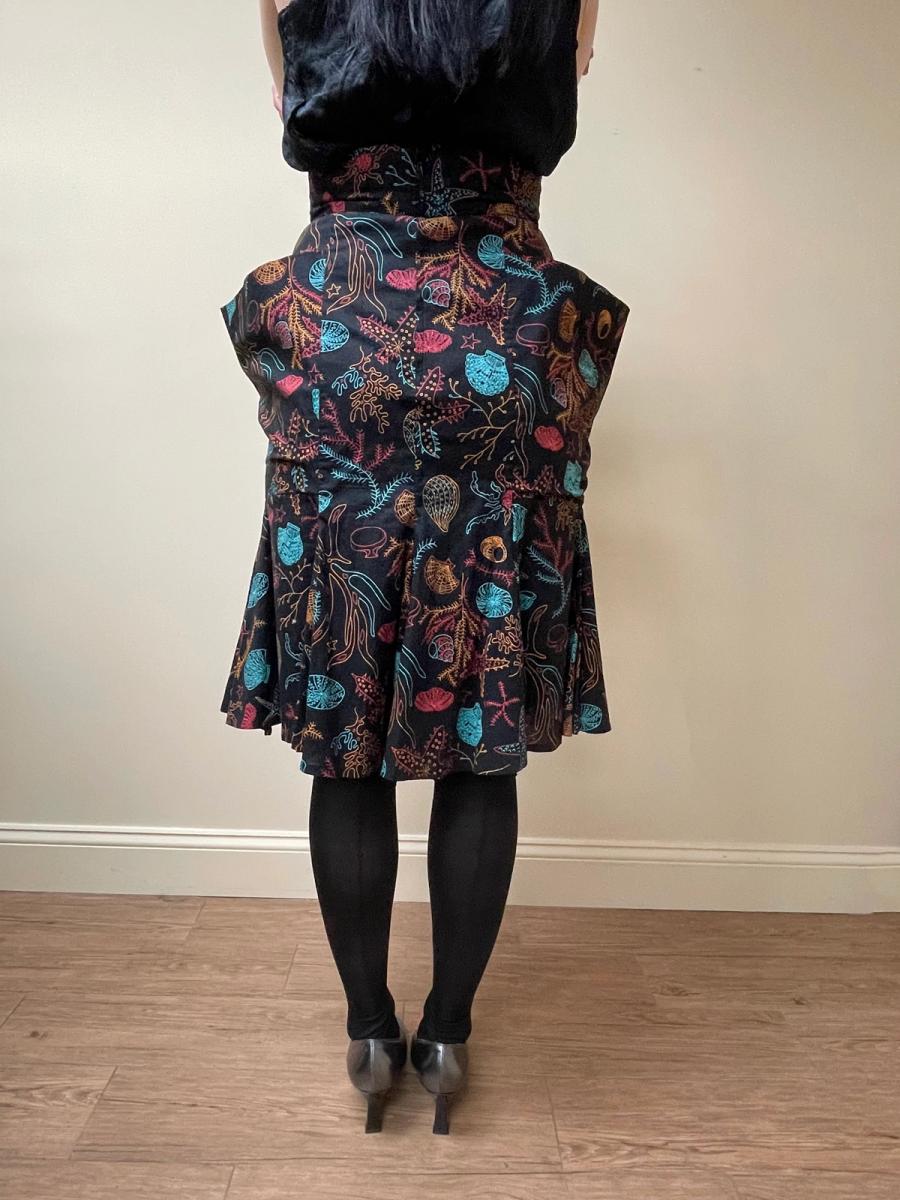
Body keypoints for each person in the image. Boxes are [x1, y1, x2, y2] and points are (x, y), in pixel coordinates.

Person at [219, 0, 629, 1134]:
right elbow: (573, 68)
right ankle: (446, 1033)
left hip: (342, 333)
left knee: (346, 721)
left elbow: (283, 82)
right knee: (477, 706)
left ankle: (369, 1031)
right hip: (503, 336)